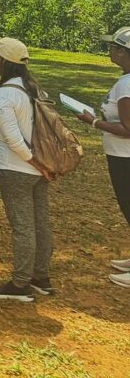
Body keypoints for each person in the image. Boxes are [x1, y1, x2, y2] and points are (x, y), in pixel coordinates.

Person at [0, 37, 57, 301]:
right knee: (39, 223)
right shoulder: (33, 89)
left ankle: (21, 283)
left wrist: (36, 162)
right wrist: (43, 165)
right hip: (37, 170)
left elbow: (13, 139)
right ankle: (40, 277)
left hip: (16, 168)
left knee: (22, 226)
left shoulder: (4, 94)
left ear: (3, 61)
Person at [72, 26, 130, 288]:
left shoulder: (126, 85)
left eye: (114, 47)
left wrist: (93, 122)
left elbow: (127, 129)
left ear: (123, 52)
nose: (110, 51)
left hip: (125, 156)